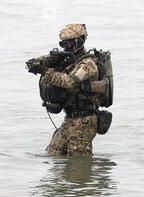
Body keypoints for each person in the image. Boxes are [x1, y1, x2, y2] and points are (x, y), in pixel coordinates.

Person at [29, 24, 112, 156]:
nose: (66, 48)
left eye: (68, 44)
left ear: (79, 41)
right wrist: (39, 63)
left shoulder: (88, 64)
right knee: (52, 153)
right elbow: (42, 60)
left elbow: (69, 82)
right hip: (70, 119)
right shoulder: (69, 59)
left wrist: (46, 72)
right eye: (63, 44)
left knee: (79, 164)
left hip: (85, 121)